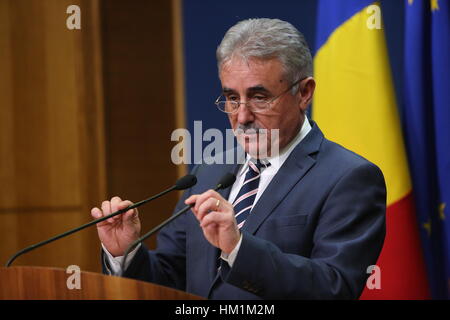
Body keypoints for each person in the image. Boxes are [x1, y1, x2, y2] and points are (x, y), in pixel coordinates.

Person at [91, 18, 386, 299]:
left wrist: (239, 248)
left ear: (304, 93)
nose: (242, 117)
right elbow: (171, 278)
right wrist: (126, 253)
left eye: (260, 97)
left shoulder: (349, 178)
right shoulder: (208, 172)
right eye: (232, 98)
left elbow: (334, 287)